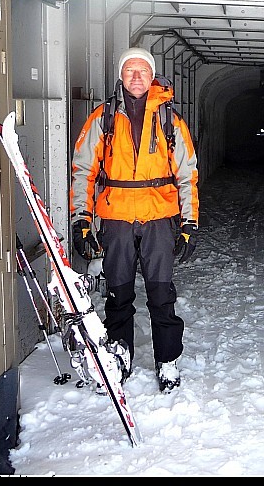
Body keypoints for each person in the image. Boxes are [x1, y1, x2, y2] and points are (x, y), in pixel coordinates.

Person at [69, 46, 199, 393]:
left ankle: (167, 360)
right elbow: (83, 170)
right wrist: (81, 218)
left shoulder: (170, 120)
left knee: (161, 295)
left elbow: (187, 175)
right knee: (118, 294)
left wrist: (189, 222)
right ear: (121, 76)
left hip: (159, 218)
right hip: (117, 219)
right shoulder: (104, 118)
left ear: (152, 75)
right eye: (130, 71)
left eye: (143, 70)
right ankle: (119, 354)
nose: (137, 77)